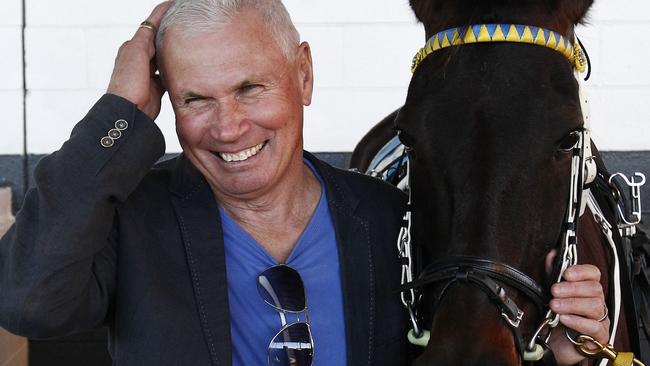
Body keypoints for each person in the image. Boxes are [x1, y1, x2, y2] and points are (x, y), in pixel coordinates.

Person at [0, 0, 610, 365]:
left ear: (304, 75)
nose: (229, 127)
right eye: (195, 99)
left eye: (250, 87)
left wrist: (561, 354)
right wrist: (119, 112)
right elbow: (27, 300)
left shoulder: (389, 221)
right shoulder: (134, 221)